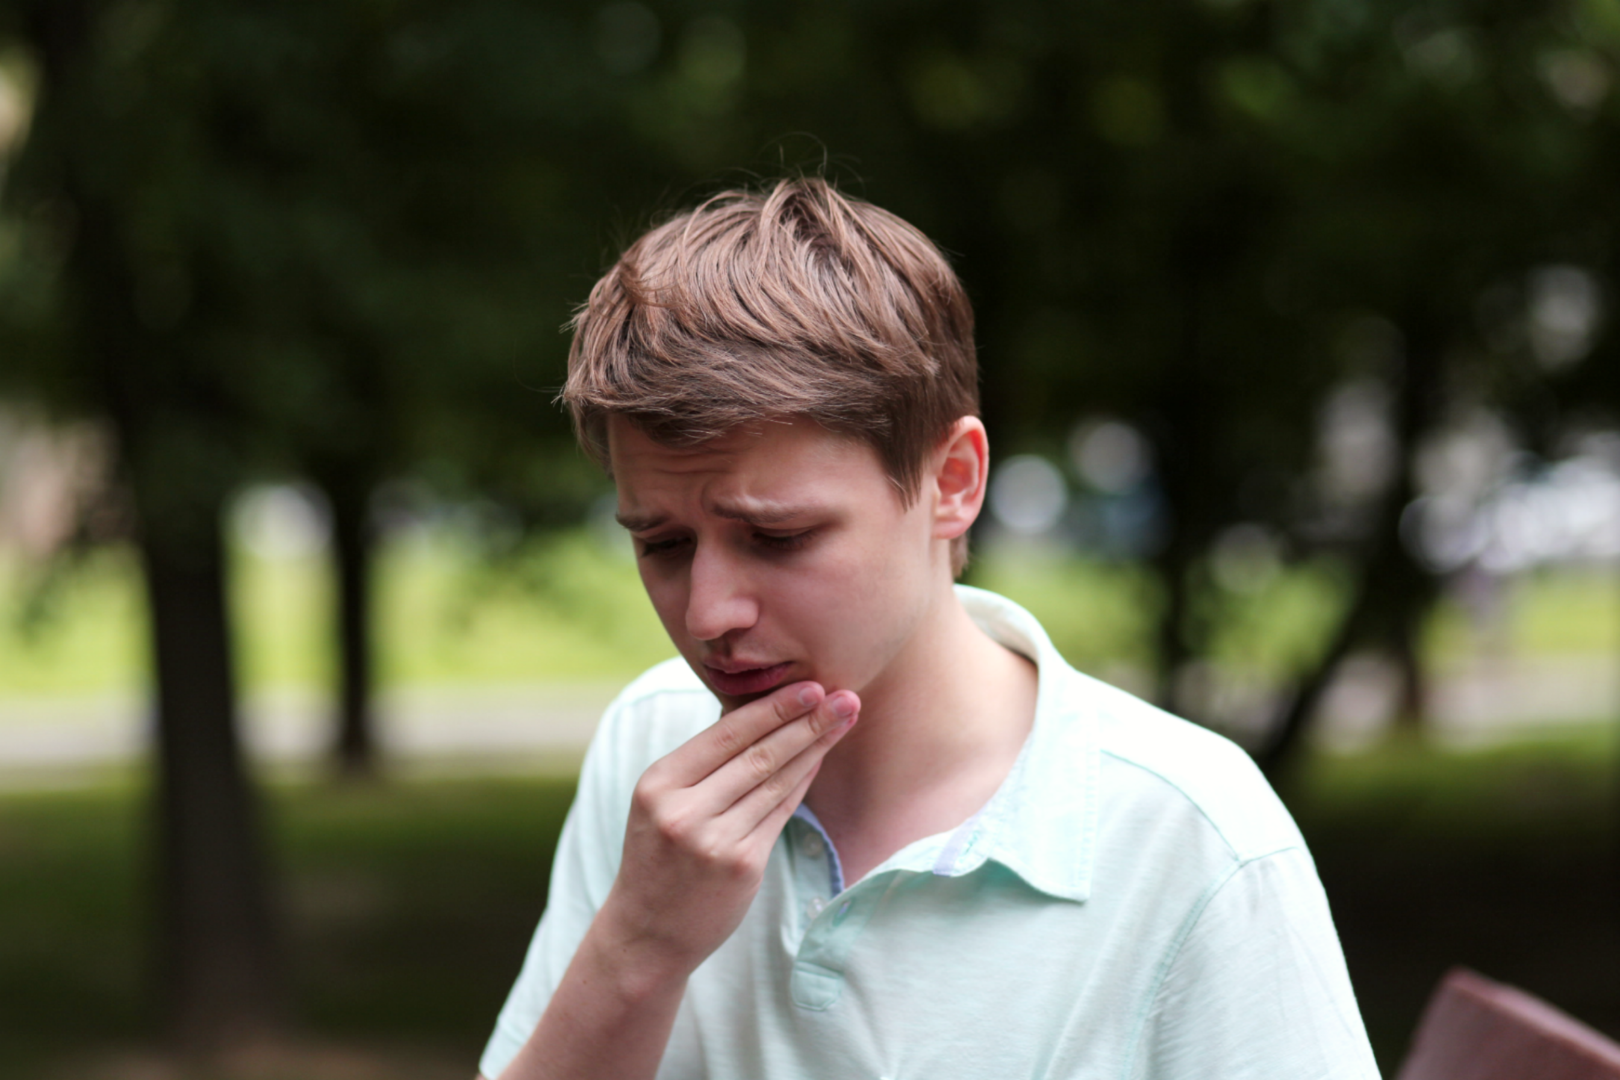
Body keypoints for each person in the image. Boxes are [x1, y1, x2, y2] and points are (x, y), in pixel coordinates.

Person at [477, 178, 1380, 1080]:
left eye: (777, 537)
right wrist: (635, 950)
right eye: (663, 545)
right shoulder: (653, 747)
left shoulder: (1191, 839)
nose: (708, 613)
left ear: (953, 482)